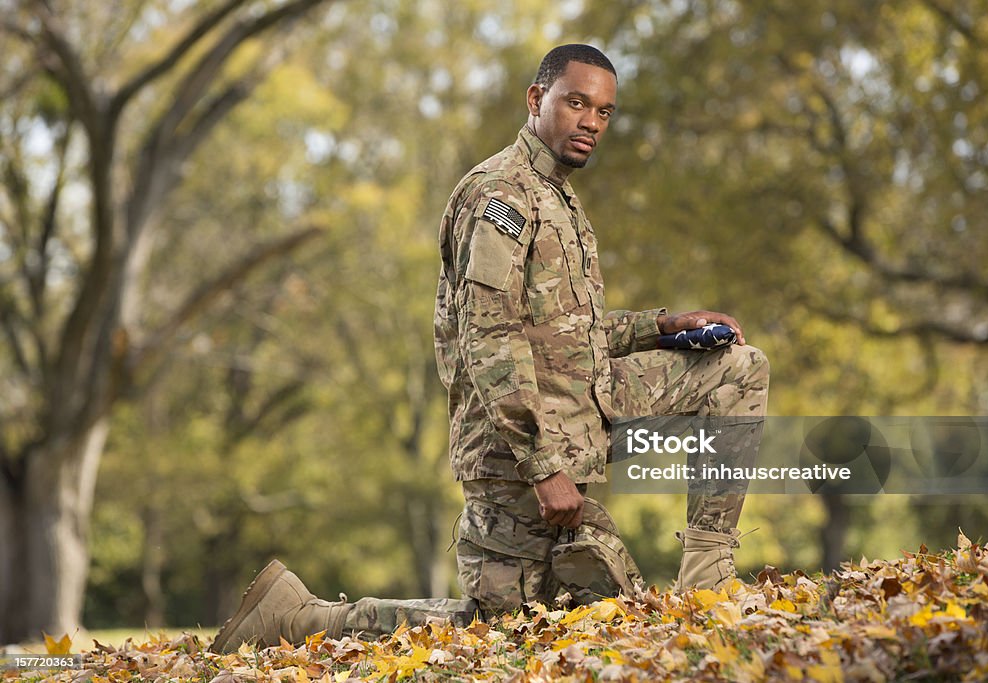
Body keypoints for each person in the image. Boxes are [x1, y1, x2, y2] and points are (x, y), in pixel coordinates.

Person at [209, 44, 769, 654]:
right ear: (536, 100)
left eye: (604, 112)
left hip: (582, 415)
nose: (591, 122)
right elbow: (490, 336)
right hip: (515, 455)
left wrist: (661, 326)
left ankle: (709, 573)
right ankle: (297, 619)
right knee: (507, 631)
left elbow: (565, 335)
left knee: (735, 369)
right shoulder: (499, 195)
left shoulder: (558, 197)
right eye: (576, 103)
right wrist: (544, 466)